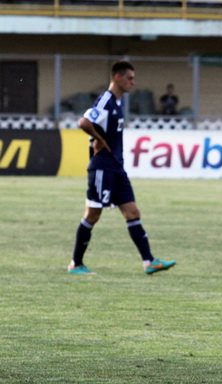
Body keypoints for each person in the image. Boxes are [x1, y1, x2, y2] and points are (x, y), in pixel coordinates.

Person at [67, 61, 176, 276]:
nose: (132, 82)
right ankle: (76, 264)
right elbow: (84, 122)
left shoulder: (118, 103)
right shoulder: (106, 100)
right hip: (102, 167)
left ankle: (149, 262)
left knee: (132, 212)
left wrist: (101, 139)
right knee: (92, 214)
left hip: (117, 168)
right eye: (129, 78)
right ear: (117, 77)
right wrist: (99, 139)